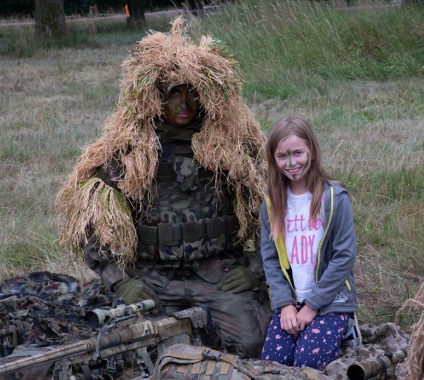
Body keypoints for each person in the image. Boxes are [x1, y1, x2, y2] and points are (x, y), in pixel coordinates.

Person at [55, 17, 271, 358]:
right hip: (154, 278)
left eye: (191, 94)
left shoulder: (229, 149)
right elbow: (92, 222)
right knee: (132, 351)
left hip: (218, 273)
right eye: (174, 95)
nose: (183, 104)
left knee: (253, 344)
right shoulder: (133, 153)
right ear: (157, 99)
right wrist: (122, 281)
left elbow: (272, 213)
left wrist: (254, 272)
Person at [259, 116, 359, 370]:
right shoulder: (271, 205)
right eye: (283, 156)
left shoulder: (335, 199)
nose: (291, 163)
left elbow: (344, 256)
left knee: (308, 364)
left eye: (298, 153)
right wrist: (285, 306)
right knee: (273, 364)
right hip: (291, 302)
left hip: (329, 302)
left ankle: (346, 332)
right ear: (273, 159)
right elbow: (271, 259)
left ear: (311, 151)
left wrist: (312, 306)